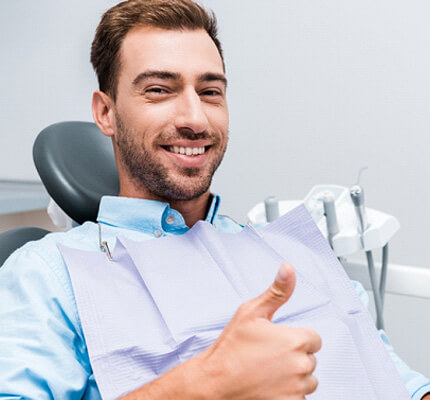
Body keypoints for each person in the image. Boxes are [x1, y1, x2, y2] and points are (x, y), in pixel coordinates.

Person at [0, 0, 429, 399]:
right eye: (159, 90)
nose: (195, 118)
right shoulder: (49, 273)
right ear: (106, 113)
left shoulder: (297, 253)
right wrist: (206, 383)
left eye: (210, 92)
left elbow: (399, 382)